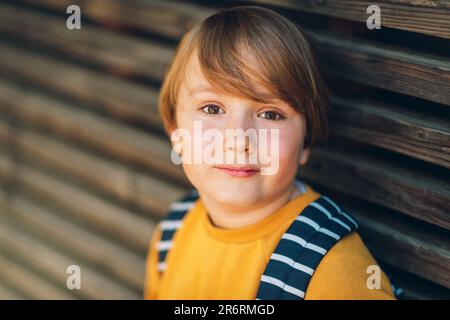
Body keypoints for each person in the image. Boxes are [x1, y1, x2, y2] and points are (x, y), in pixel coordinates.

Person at [144, 5, 395, 300]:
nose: (239, 139)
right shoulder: (172, 234)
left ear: (305, 143)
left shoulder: (331, 270)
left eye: (270, 114)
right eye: (212, 108)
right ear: (176, 133)